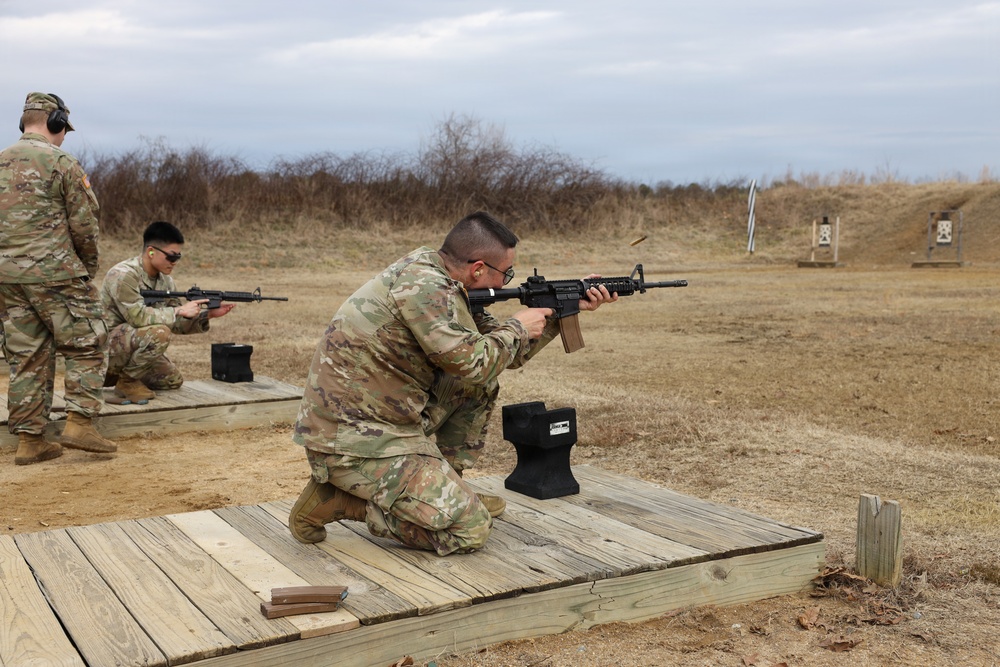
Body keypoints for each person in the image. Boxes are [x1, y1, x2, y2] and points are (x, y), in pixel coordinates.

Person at [288, 211, 617, 555]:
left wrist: (561, 310)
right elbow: (474, 363)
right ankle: (339, 503)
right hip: (351, 443)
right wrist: (518, 325)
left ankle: (448, 486)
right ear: (478, 269)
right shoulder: (426, 288)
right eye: (506, 273)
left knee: (476, 387)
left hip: (387, 423)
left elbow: (501, 357)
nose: (506, 282)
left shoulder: (446, 279)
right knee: (470, 530)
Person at [0, 92, 118, 465]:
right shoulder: (62, 162)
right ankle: (80, 423)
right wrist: (86, 270)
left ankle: (30, 441)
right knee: (88, 341)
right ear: (55, 122)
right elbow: (84, 225)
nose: (64, 135)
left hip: (7, 278)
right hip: (55, 272)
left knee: (26, 356)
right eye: (63, 128)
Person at [99, 221, 234, 403]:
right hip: (105, 351)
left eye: (178, 257)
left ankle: (127, 377)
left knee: (171, 380)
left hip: (132, 348)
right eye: (171, 257)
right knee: (160, 332)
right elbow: (138, 317)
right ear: (151, 252)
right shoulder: (123, 275)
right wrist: (178, 309)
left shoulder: (165, 281)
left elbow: (177, 323)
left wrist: (207, 315)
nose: (175, 262)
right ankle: (126, 381)